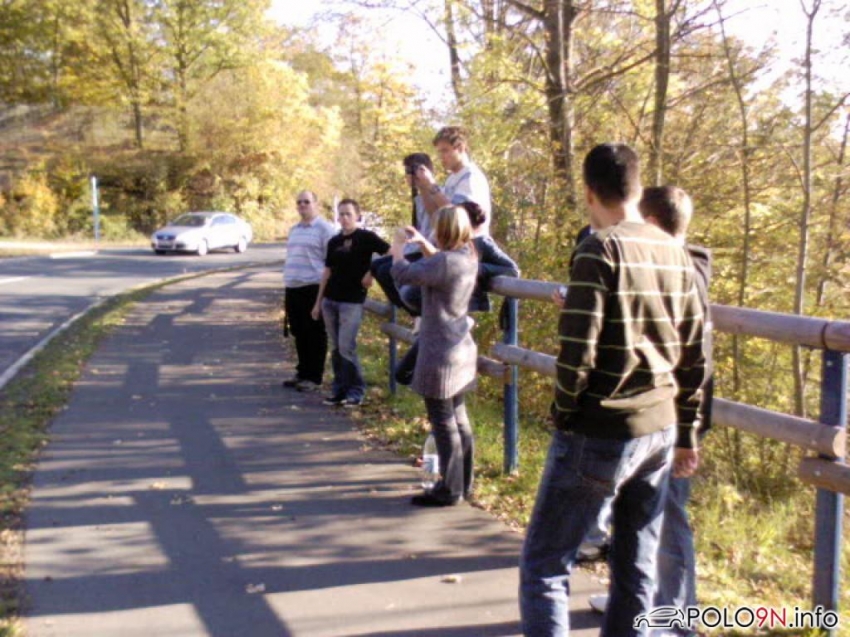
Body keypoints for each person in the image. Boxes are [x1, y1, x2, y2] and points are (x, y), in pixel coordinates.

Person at [519, 143, 706, 637]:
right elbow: (695, 353)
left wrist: (564, 414)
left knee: (545, 566)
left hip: (600, 428)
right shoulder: (676, 251)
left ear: (589, 192)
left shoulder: (599, 248)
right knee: (635, 564)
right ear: (638, 189)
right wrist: (687, 430)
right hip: (660, 429)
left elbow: (576, 352)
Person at [585, 187, 714, 630]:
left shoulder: (684, 267)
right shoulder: (668, 262)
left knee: (667, 517)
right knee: (636, 515)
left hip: (673, 412)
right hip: (652, 408)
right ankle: (634, 603)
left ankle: (677, 618)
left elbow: (688, 353)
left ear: (653, 223)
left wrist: (687, 432)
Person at [390, 205, 479, 507]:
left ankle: (449, 489)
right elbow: (440, 266)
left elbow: (403, 273)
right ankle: (463, 482)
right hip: (460, 347)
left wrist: (398, 248)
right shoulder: (468, 257)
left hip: (440, 351)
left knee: (442, 420)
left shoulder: (445, 262)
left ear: (443, 230)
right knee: (459, 418)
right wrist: (424, 245)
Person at [394, 199, 519, 386]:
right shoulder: (455, 254)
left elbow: (512, 269)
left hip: (447, 320)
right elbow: (441, 261)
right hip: (437, 320)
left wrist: (474, 269)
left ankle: (464, 352)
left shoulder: (477, 246)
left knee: (409, 377)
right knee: (429, 384)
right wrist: (422, 242)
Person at [311, 198, 390, 408]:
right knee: (336, 348)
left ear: (357, 216)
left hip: (352, 301)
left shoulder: (366, 237)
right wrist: (318, 302)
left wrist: (372, 272)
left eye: (348, 214)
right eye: (341, 214)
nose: (344, 218)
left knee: (347, 346)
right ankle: (339, 390)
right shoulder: (334, 242)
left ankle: (356, 390)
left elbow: (391, 253)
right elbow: (327, 272)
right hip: (330, 299)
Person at [281, 191, 336, 392]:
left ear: (316, 204)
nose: (302, 205)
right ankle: (302, 372)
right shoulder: (294, 230)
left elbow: (331, 262)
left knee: (314, 332)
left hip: (314, 286)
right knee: (298, 330)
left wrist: (325, 291)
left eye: (306, 202)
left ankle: (314, 377)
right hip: (293, 286)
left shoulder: (325, 229)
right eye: (299, 202)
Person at [370, 153, 435, 317]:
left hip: (426, 249)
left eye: (408, 172)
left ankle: (417, 314)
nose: (406, 176)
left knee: (386, 271)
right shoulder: (418, 198)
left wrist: (425, 184)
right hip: (415, 247)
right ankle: (411, 312)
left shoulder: (433, 194)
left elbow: (433, 224)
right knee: (376, 266)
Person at [414, 126, 492, 237]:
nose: (441, 157)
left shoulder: (471, 178)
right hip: (452, 243)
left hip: (470, 244)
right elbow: (436, 214)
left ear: (460, 148)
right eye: (439, 152)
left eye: (445, 151)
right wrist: (423, 187)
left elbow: (458, 218)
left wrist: (432, 185)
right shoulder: (452, 178)